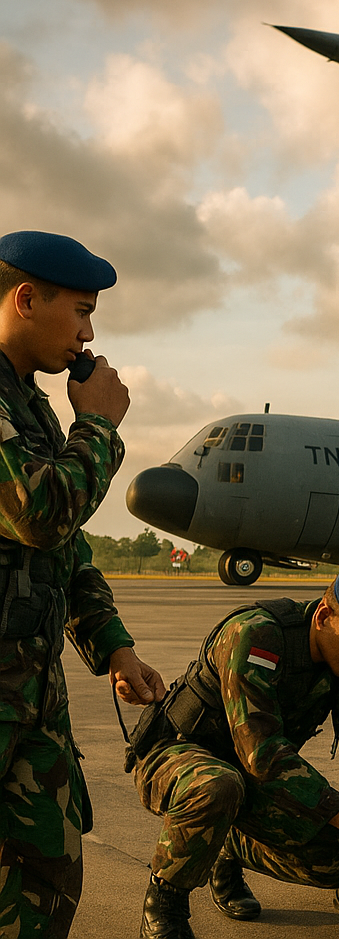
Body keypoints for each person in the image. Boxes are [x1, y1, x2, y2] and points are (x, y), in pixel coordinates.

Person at [0, 230, 165, 939]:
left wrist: (114, 646)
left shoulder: (29, 406)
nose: (89, 334)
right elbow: (38, 514)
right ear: (26, 299)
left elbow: (65, 552)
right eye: (82, 311)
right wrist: (96, 425)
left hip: (29, 703)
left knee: (48, 879)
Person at [130, 561, 339, 939]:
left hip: (251, 778)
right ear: (323, 617)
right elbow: (263, 752)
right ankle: (164, 906)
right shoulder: (256, 635)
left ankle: (228, 847)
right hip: (175, 756)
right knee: (218, 785)